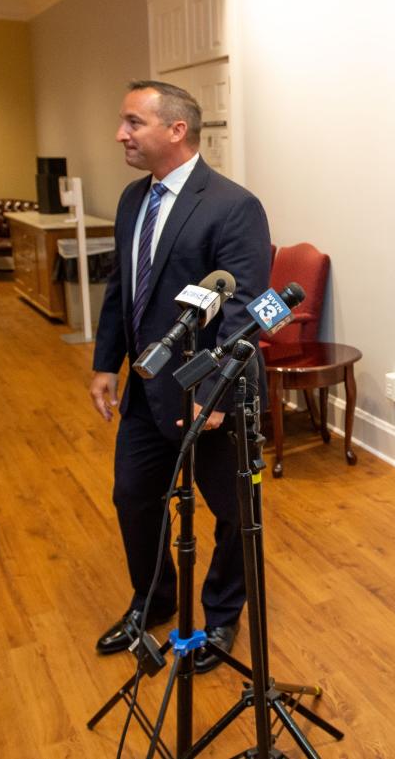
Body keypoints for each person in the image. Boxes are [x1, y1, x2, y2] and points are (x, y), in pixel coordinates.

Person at [88, 80, 271, 673]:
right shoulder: (129, 200)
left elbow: (243, 308)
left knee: (231, 512)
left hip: (211, 396)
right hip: (147, 388)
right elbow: (124, 290)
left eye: (133, 123)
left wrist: (215, 395)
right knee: (133, 497)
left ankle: (221, 617)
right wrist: (103, 365)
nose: (121, 134)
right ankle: (155, 601)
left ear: (176, 130)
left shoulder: (232, 204)